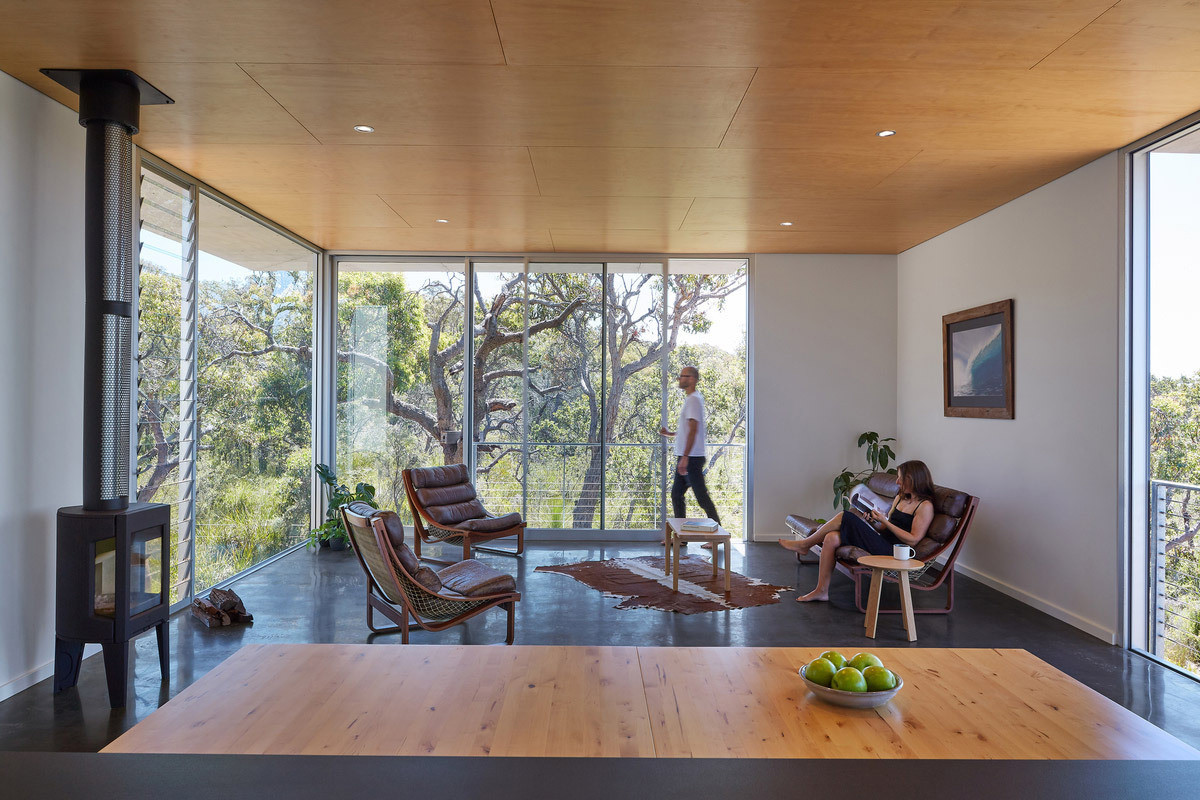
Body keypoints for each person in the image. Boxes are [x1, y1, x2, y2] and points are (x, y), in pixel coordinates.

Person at [778, 460, 936, 602]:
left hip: (894, 552)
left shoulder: (925, 506)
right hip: (881, 541)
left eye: (900, 478)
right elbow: (883, 528)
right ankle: (821, 591)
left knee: (844, 516)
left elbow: (913, 539)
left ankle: (805, 544)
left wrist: (885, 522)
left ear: (912, 479)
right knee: (832, 538)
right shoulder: (900, 498)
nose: (897, 482)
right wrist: (873, 520)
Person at [659, 365, 722, 548]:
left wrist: (685, 458)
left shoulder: (694, 399)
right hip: (686, 457)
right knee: (676, 495)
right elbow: (687, 430)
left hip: (692, 458)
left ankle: (717, 536)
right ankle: (681, 537)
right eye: (680, 376)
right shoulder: (691, 399)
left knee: (702, 497)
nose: (680, 378)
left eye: (684, 376)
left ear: (693, 379)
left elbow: (694, 430)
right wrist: (670, 434)